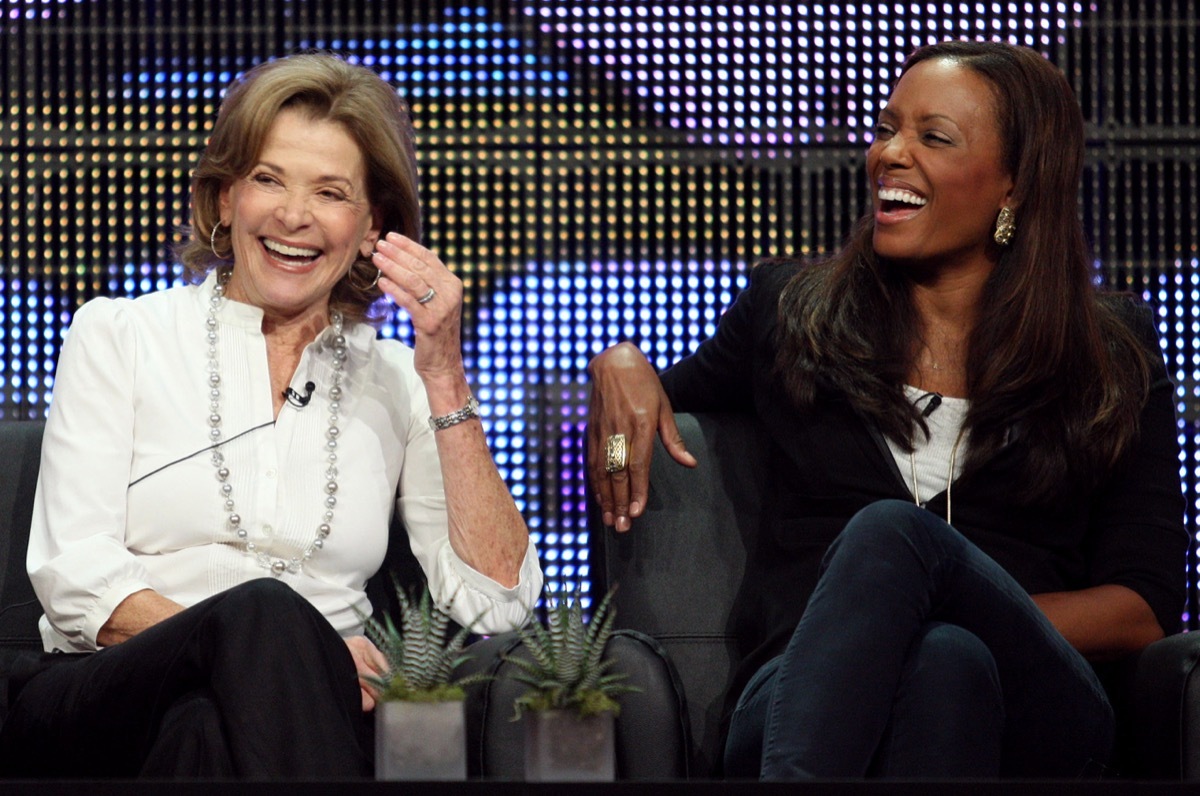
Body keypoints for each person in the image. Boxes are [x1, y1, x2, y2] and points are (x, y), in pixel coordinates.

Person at [587, 40, 1186, 779]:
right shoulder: (790, 315)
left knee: (901, 549)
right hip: (797, 689)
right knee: (943, 662)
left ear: (1014, 186)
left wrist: (943, 592)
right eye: (885, 128)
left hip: (1037, 709)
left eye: (932, 138)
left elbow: (1143, 607)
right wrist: (616, 362)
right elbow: (661, 395)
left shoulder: (1109, 355)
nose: (888, 155)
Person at [0, 52, 542, 778]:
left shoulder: (395, 379)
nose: (294, 215)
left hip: (280, 720)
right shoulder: (121, 335)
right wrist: (286, 646)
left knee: (202, 732)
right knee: (262, 612)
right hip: (100, 692)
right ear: (224, 198)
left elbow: (497, 604)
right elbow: (74, 575)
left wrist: (443, 374)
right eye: (267, 179)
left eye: (330, 192)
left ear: (370, 223)